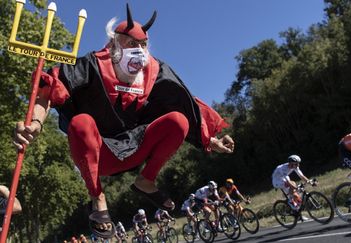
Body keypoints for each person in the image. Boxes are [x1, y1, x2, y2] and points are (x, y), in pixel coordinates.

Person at [12, 3, 234, 238]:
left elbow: (187, 102)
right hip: (99, 155)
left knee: (179, 120)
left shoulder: (155, 72)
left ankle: (146, 179)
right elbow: (51, 88)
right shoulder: (91, 65)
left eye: (142, 45)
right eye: (132, 44)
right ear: (114, 44)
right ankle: (97, 197)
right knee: (81, 122)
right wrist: (35, 123)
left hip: (136, 149)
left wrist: (210, 140)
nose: (138, 50)